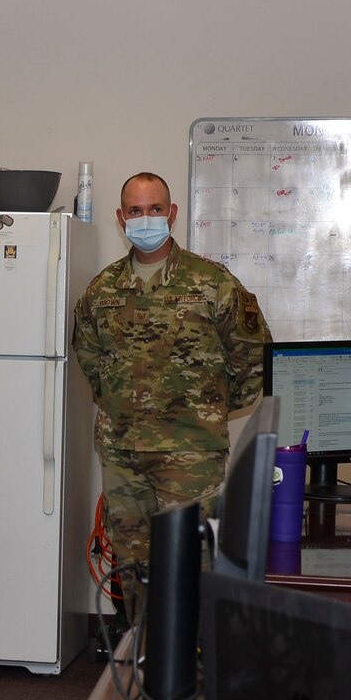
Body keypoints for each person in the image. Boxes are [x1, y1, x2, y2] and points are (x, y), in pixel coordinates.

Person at [71, 172, 269, 620]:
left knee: (191, 567)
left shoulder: (212, 283)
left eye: (155, 209)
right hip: (123, 452)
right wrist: (121, 404)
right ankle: (144, 663)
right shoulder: (102, 290)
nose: (146, 219)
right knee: (132, 566)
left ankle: (193, 675)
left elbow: (253, 355)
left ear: (172, 213)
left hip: (190, 453)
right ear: (121, 219)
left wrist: (208, 409)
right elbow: (88, 354)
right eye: (136, 211)